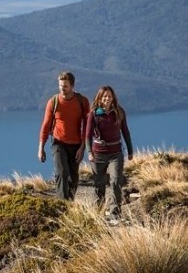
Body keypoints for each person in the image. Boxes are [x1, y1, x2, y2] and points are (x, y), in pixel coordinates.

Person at [38, 71, 90, 200]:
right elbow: (45, 125)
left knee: (73, 177)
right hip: (58, 142)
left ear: (72, 86)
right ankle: (62, 204)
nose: (62, 89)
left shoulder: (82, 101)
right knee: (61, 172)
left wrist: (82, 147)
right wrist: (41, 148)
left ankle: (70, 202)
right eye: (60, 85)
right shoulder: (53, 102)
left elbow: (88, 127)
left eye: (65, 86)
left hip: (76, 144)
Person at [85, 85, 133, 219]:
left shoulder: (119, 112)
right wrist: (89, 152)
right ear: (100, 98)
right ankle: (97, 213)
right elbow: (87, 135)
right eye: (104, 96)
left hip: (115, 153)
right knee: (99, 185)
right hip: (98, 154)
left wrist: (130, 150)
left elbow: (125, 132)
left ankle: (114, 213)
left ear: (113, 98)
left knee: (116, 182)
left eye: (109, 96)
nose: (107, 98)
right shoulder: (93, 114)